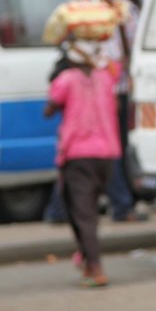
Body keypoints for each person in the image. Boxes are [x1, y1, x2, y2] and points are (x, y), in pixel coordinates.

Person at [44, 36, 121, 288]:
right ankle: (88, 260)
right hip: (107, 153)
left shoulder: (67, 80)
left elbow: (49, 108)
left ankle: (95, 266)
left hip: (78, 155)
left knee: (82, 213)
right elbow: (119, 66)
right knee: (88, 211)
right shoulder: (106, 77)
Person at [101, 0, 147, 222]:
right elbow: (116, 56)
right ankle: (122, 204)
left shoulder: (135, 9)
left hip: (125, 89)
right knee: (116, 148)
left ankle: (126, 200)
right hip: (116, 91)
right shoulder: (120, 13)